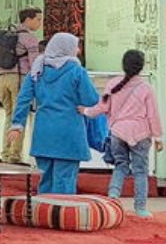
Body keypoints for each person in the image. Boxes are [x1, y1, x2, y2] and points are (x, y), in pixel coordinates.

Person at [7, 33, 100, 195]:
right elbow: (91, 99)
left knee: (46, 179)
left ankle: (45, 214)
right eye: (75, 46)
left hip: (44, 132)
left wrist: (17, 125)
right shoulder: (77, 71)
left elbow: (23, 99)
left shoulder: (37, 70)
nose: (77, 50)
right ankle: (62, 216)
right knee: (65, 181)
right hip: (69, 132)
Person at [86, 50, 164, 219]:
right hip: (140, 134)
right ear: (141, 67)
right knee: (140, 171)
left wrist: (85, 111)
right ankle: (140, 208)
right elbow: (153, 114)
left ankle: (113, 196)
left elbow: (102, 108)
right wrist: (158, 137)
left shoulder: (112, 84)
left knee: (120, 165)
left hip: (117, 133)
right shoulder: (146, 88)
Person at [0, 8, 44, 162]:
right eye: (38, 19)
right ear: (28, 20)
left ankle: (5, 152)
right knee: (19, 116)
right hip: (19, 79)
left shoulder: (7, 35)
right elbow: (35, 64)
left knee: (9, 115)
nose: (39, 23)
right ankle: (14, 155)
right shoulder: (29, 38)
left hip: (1, 78)